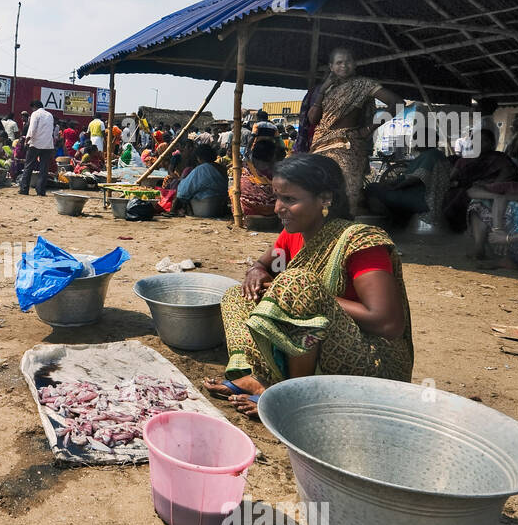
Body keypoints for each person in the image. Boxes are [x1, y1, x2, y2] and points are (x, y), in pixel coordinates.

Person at [204, 154, 413, 419]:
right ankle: (257, 378)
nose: (278, 207)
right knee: (238, 295)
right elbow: (262, 265)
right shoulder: (293, 234)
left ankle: (293, 402)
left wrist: (310, 296)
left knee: (295, 284)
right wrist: (256, 272)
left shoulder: (360, 242)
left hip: (370, 359)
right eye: (277, 196)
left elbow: (388, 323)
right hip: (315, 348)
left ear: (325, 199)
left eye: (290, 200)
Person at [307, 47, 402, 215]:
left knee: (348, 191)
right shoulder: (326, 89)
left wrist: (368, 129)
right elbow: (313, 119)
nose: (344, 66)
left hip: (348, 144)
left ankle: (345, 230)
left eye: (348, 62)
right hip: (321, 143)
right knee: (317, 190)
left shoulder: (364, 84)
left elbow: (397, 103)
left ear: (355, 64)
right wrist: (322, 91)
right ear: (331, 66)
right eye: (339, 62)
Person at [442, 129, 518, 232]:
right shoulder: (463, 161)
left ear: (492, 143)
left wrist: (487, 185)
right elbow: (450, 179)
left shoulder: (500, 159)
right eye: (476, 140)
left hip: (490, 190)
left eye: (484, 140)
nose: (479, 143)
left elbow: (505, 178)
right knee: (454, 195)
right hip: (466, 190)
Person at [236, 140, 285, 218]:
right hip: (274, 207)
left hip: (251, 208)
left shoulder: (246, 167)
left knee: (233, 191)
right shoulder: (277, 168)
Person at [19, 100, 57, 196]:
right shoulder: (50, 115)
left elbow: (32, 129)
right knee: (44, 169)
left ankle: (24, 189)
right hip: (48, 145)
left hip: (35, 143)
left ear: (34, 107)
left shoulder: (35, 114)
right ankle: (41, 191)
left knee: (28, 167)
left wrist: (26, 141)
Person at [175, 144, 225, 211]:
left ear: (199, 158)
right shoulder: (221, 168)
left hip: (204, 208)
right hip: (221, 207)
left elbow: (183, 192)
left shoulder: (202, 169)